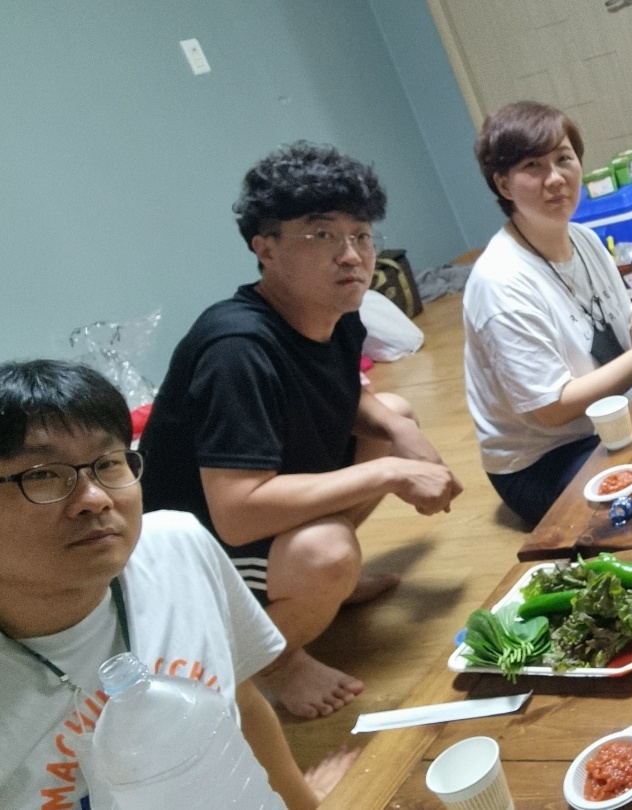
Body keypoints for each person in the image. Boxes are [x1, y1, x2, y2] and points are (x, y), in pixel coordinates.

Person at [140, 141, 463, 719]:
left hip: (252, 514)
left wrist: (398, 430)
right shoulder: (237, 348)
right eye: (322, 234)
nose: (352, 255)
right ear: (265, 248)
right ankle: (271, 661)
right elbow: (237, 513)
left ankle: (311, 590)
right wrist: (391, 472)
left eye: (361, 235)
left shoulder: (335, 315)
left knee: (394, 415)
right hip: (198, 554)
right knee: (326, 552)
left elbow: (346, 397)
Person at [0, 360, 352, 809]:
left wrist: (304, 803)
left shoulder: (178, 548)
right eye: (42, 475)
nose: (95, 499)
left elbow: (242, 704)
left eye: (108, 463)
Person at [464, 101, 632, 527]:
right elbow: (553, 408)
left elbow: (627, 328)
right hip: (545, 459)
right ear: (503, 184)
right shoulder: (500, 283)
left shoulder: (584, 239)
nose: (555, 178)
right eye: (533, 166)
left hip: (612, 417)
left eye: (563, 159)